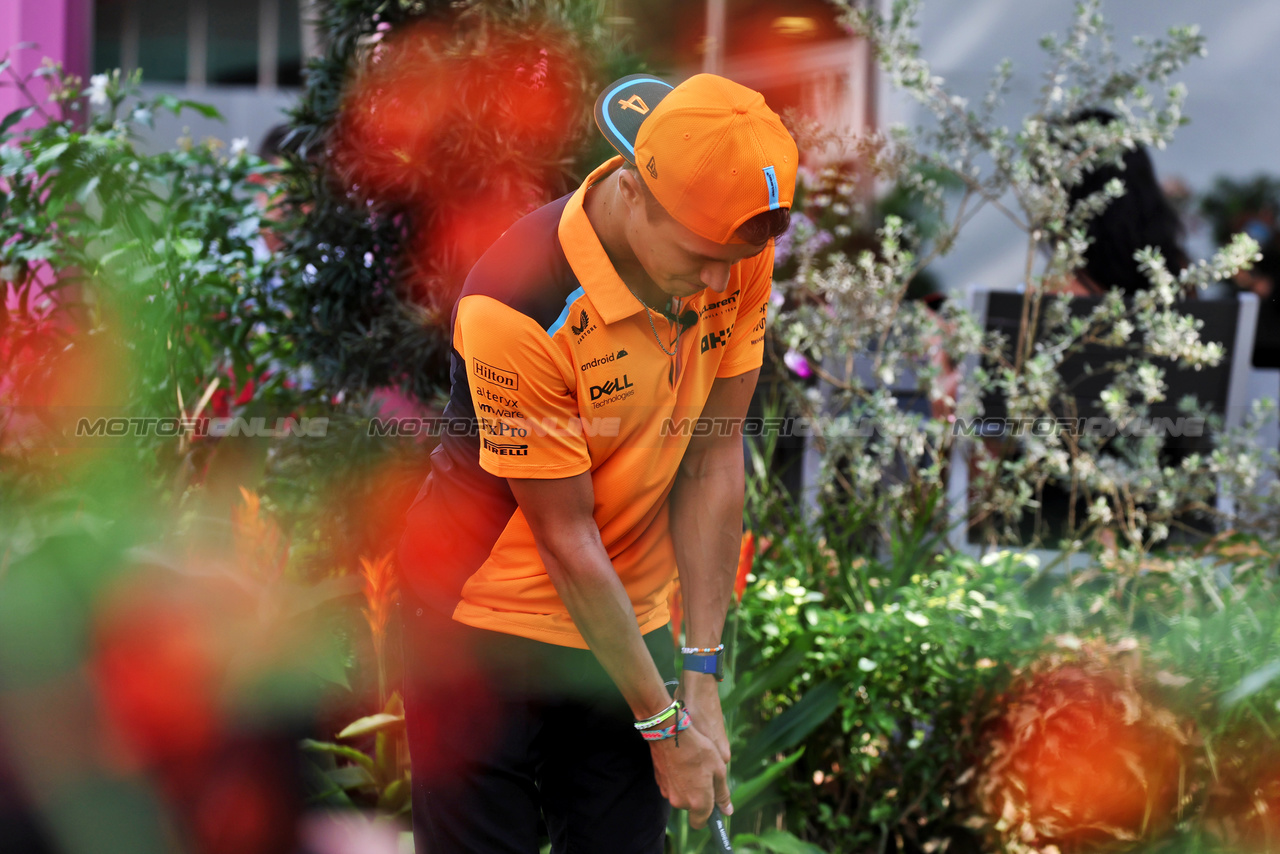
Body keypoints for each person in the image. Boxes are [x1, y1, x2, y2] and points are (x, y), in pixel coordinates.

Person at [396, 73, 797, 853]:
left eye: (737, 260)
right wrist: (662, 726)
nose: (719, 283)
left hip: (625, 620)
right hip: (475, 630)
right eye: (700, 256)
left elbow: (714, 454)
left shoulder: (735, 249)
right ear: (633, 189)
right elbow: (566, 539)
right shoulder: (518, 302)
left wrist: (700, 679)